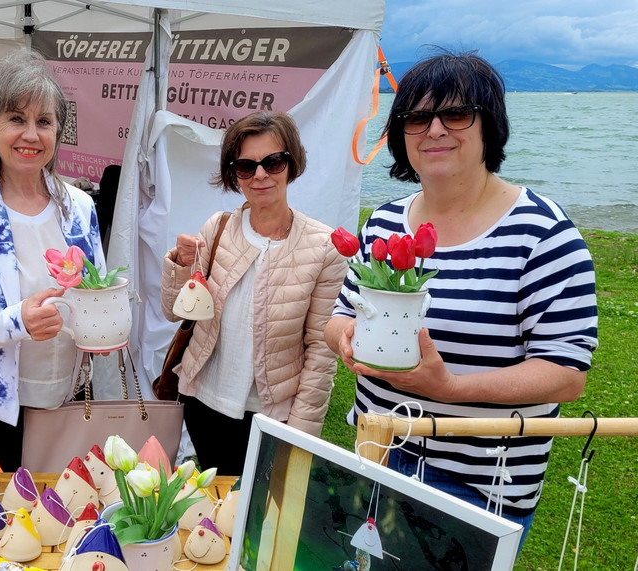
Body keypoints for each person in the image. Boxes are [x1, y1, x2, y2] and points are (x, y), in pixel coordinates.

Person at [325, 51, 598, 544]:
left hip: (480, 479)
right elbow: (341, 314)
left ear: (489, 127)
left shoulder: (542, 234)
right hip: (378, 448)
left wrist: (449, 389)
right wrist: (347, 338)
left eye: (455, 114)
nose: (433, 131)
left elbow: (565, 374)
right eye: (416, 118)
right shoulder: (387, 222)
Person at [0, 49, 104, 471]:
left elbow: (100, 299)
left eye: (44, 121)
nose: (31, 134)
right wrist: (18, 323)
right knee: (5, 526)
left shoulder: (79, 208)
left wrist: (108, 320)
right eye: (16, 119)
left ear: (57, 133)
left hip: (71, 396)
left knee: (69, 515)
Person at [161, 111, 347, 475]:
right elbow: (175, 311)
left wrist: (300, 436)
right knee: (216, 509)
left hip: (271, 415)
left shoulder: (323, 247)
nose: (260, 174)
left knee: (262, 518)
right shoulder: (218, 228)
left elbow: (321, 352)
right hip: (203, 402)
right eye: (246, 166)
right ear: (235, 174)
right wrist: (181, 265)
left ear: (291, 164)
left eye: (273, 162)